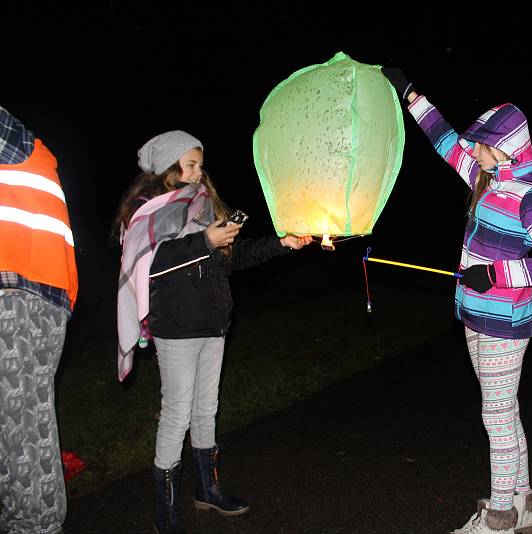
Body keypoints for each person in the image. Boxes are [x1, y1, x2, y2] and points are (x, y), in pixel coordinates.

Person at [382, 69, 532, 534]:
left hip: (505, 322)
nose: (474, 150)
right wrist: (411, 95)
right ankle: (525, 505)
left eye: (483, 144)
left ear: (506, 146)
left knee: (495, 415)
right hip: (473, 314)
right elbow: (445, 140)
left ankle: (500, 516)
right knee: (506, 411)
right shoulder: (484, 177)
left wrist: (498, 274)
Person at [113, 130, 312, 534]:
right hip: (177, 326)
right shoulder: (146, 210)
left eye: (200, 164)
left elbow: (231, 260)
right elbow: (150, 265)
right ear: (169, 168)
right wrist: (204, 240)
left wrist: (283, 244)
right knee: (176, 414)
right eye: (191, 164)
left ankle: (208, 489)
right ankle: (164, 510)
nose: (199, 172)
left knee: (207, 409)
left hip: (214, 322)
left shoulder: (206, 204)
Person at [0, 105, 78, 534]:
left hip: (18, 291)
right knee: (14, 433)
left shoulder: (16, 142)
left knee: (20, 431)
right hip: (33, 294)